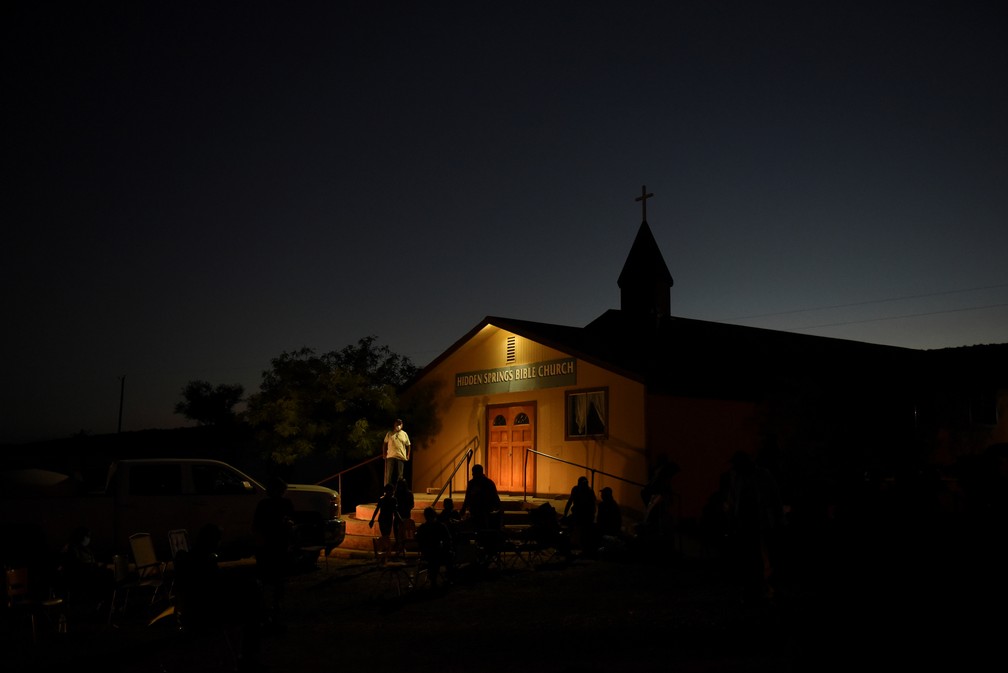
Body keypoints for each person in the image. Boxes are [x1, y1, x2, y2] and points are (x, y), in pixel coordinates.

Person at [174, 523, 262, 668]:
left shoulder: (187, 558)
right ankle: (247, 657)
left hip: (191, 611)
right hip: (207, 612)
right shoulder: (206, 561)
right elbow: (214, 588)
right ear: (213, 542)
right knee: (252, 611)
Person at [253, 475, 295, 630]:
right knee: (276, 579)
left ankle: (269, 610)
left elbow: (257, 525)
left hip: (272, 544)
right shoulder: (281, 504)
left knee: (271, 579)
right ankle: (271, 610)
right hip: (275, 544)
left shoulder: (265, 504)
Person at [58, 525, 114, 612]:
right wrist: (95, 566)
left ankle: (102, 604)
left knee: (108, 574)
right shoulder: (71, 548)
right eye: (87, 536)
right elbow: (76, 566)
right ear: (80, 536)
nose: (88, 538)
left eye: (89, 536)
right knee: (104, 577)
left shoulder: (86, 550)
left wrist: (99, 566)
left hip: (88, 575)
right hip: (78, 578)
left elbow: (91, 562)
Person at [415, 506, 454, 589]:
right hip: (437, 553)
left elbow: (418, 540)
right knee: (448, 556)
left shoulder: (422, 528)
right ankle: (448, 578)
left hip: (427, 553)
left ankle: (434, 580)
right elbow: (448, 539)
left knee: (436, 557)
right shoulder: (440, 526)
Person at [459, 464, 501, 531]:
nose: (472, 474)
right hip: (476, 510)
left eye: (474, 473)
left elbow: (494, 496)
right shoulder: (473, 483)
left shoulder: (487, 483)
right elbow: (467, 497)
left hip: (485, 510)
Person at [563, 476, 598, 554]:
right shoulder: (587, 490)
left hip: (582, 515)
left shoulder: (580, 490)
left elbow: (570, 502)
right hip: (583, 515)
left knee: (572, 526)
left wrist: (565, 514)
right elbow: (593, 505)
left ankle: (573, 543)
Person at [368, 482, 401, 556]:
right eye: (391, 491)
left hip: (385, 519)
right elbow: (377, 509)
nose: (392, 492)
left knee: (386, 535)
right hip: (385, 519)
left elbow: (378, 509)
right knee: (385, 535)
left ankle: (384, 550)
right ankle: (385, 550)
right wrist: (372, 519)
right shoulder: (389, 500)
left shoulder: (388, 500)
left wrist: (372, 520)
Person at [383, 418, 411, 487]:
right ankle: (387, 491)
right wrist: (384, 453)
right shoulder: (389, 433)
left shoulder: (404, 434)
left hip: (401, 457)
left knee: (400, 476)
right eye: (397, 424)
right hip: (390, 456)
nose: (398, 425)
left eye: (400, 424)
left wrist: (408, 455)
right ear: (394, 424)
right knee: (389, 475)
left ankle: (400, 491)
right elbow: (385, 443)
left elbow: (408, 445)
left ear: (402, 425)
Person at [394, 477, 415, 556]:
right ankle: (400, 546)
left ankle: (401, 546)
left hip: (403, 514)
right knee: (400, 531)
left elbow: (411, 505)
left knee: (402, 531)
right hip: (401, 514)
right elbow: (412, 505)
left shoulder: (399, 493)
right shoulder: (400, 493)